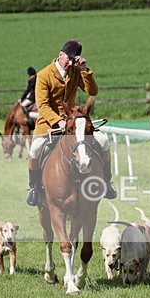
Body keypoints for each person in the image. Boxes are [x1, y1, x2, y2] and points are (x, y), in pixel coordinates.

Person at [25, 39, 116, 206]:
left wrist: (84, 71)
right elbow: (43, 106)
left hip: (74, 121)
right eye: (69, 58)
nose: (70, 62)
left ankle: (107, 183)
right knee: (35, 148)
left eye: (74, 59)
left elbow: (92, 91)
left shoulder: (75, 71)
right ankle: (34, 188)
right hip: (49, 123)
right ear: (61, 55)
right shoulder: (44, 75)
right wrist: (58, 121)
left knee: (103, 140)